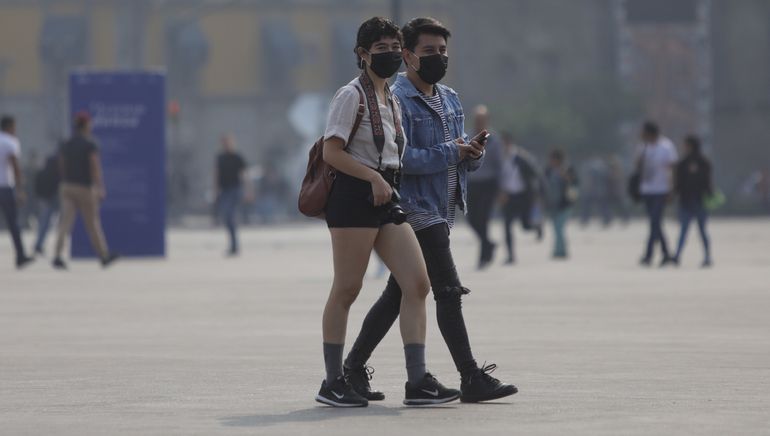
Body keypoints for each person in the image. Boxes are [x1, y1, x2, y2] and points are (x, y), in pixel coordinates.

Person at [343, 17, 517, 404]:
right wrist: (452, 152)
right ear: (408, 56)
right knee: (448, 290)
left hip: (444, 206)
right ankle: (470, 376)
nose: (438, 58)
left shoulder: (451, 97)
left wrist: (471, 154)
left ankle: (352, 369)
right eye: (429, 52)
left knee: (399, 293)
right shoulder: (398, 99)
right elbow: (402, 159)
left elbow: (455, 158)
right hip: (414, 208)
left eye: (443, 51)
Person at [316, 16, 458, 407]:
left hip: (387, 196)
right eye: (382, 49)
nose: (392, 55)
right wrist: (372, 178)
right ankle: (333, 381)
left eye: (396, 48)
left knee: (417, 283)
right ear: (363, 55)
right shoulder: (351, 96)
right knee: (347, 288)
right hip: (353, 196)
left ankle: (417, 382)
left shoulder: (391, 98)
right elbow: (332, 151)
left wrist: (385, 182)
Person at [52, 112, 119, 270]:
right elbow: (94, 166)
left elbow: (60, 164)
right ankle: (103, 255)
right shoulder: (90, 144)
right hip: (84, 187)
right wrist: (100, 186)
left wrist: (65, 180)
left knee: (65, 223)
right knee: (92, 223)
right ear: (86, 125)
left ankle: (57, 256)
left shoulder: (66, 143)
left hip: (67, 186)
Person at [635, 121, 678, 267]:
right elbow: (638, 166)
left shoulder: (666, 146)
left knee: (654, 222)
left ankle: (648, 255)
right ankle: (666, 253)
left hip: (661, 189)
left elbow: (672, 169)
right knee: (656, 223)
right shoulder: (643, 147)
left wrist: (671, 189)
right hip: (647, 189)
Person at [466, 105, 503, 269]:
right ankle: (489, 244)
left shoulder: (494, 140)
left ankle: (483, 257)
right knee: (471, 219)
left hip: (489, 184)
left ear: (487, 120)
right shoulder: (468, 136)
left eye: (482, 119)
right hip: (472, 183)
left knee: (483, 219)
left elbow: (500, 166)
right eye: (476, 119)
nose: (478, 122)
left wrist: (502, 188)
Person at [499, 131, 543, 265]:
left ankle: (537, 227)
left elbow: (534, 173)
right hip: (508, 197)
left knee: (525, 225)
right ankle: (511, 255)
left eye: (506, 144)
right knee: (507, 226)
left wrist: (537, 193)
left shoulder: (521, 157)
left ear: (510, 143)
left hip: (523, 196)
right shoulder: (500, 159)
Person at [673, 135, 713, 267]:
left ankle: (677, 256)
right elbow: (708, 182)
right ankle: (707, 256)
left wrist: (674, 194)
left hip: (688, 200)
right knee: (701, 231)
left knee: (684, 230)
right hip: (698, 200)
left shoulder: (684, 163)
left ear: (690, 146)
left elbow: (678, 183)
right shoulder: (704, 162)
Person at [0, 115, 34, 269]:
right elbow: (15, 166)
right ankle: (20, 255)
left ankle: (21, 255)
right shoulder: (10, 142)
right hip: (6, 187)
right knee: (13, 223)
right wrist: (20, 189)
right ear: (9, 127)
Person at [215, 134, 246, 256]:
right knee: (227, 218)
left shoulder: (237, 157)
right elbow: (216, 174)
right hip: (224, 190)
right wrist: (216, 189)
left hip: (235, 189)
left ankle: (234, 246)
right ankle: (233, 245)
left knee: (230, 215)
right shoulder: (220, 158)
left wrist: (248, 190)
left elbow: (244, 174)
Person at [544, 149, 577, 259]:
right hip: (552, 204)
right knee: (556, 228)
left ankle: (560, 251)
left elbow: (576, 183)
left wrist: (566, 177)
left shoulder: (568, 169)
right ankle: (559, 250)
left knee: (559, 227)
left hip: (565, 204)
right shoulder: (548, 170)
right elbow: (543, 184)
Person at [32, 150, 61, 255]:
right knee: (49, 222)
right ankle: (40, 245)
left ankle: (39, 244)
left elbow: (37, 185)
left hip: (45, 198)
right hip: (53, 197)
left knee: (45, 222)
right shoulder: (57, 171)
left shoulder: (43, 171)